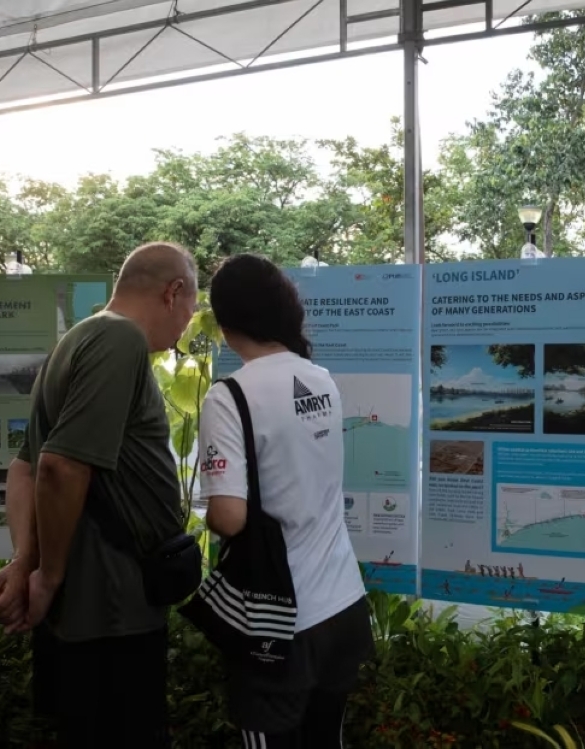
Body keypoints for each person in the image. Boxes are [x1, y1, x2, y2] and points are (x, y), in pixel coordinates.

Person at [0, 242, 199, 748]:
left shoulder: (75, 340)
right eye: (190, 307)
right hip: (112, 614)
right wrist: (47, 578)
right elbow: (58, 467)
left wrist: (24, 564)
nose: (187, 323)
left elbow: (23, 469)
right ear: (173, 292)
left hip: (87, 615)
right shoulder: (119, 340)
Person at [198, 254, 373, 749]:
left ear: (225, 321)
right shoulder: (321, 380)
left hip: (278, 623)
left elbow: (229, 518)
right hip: (342, 606)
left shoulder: (229, 396)